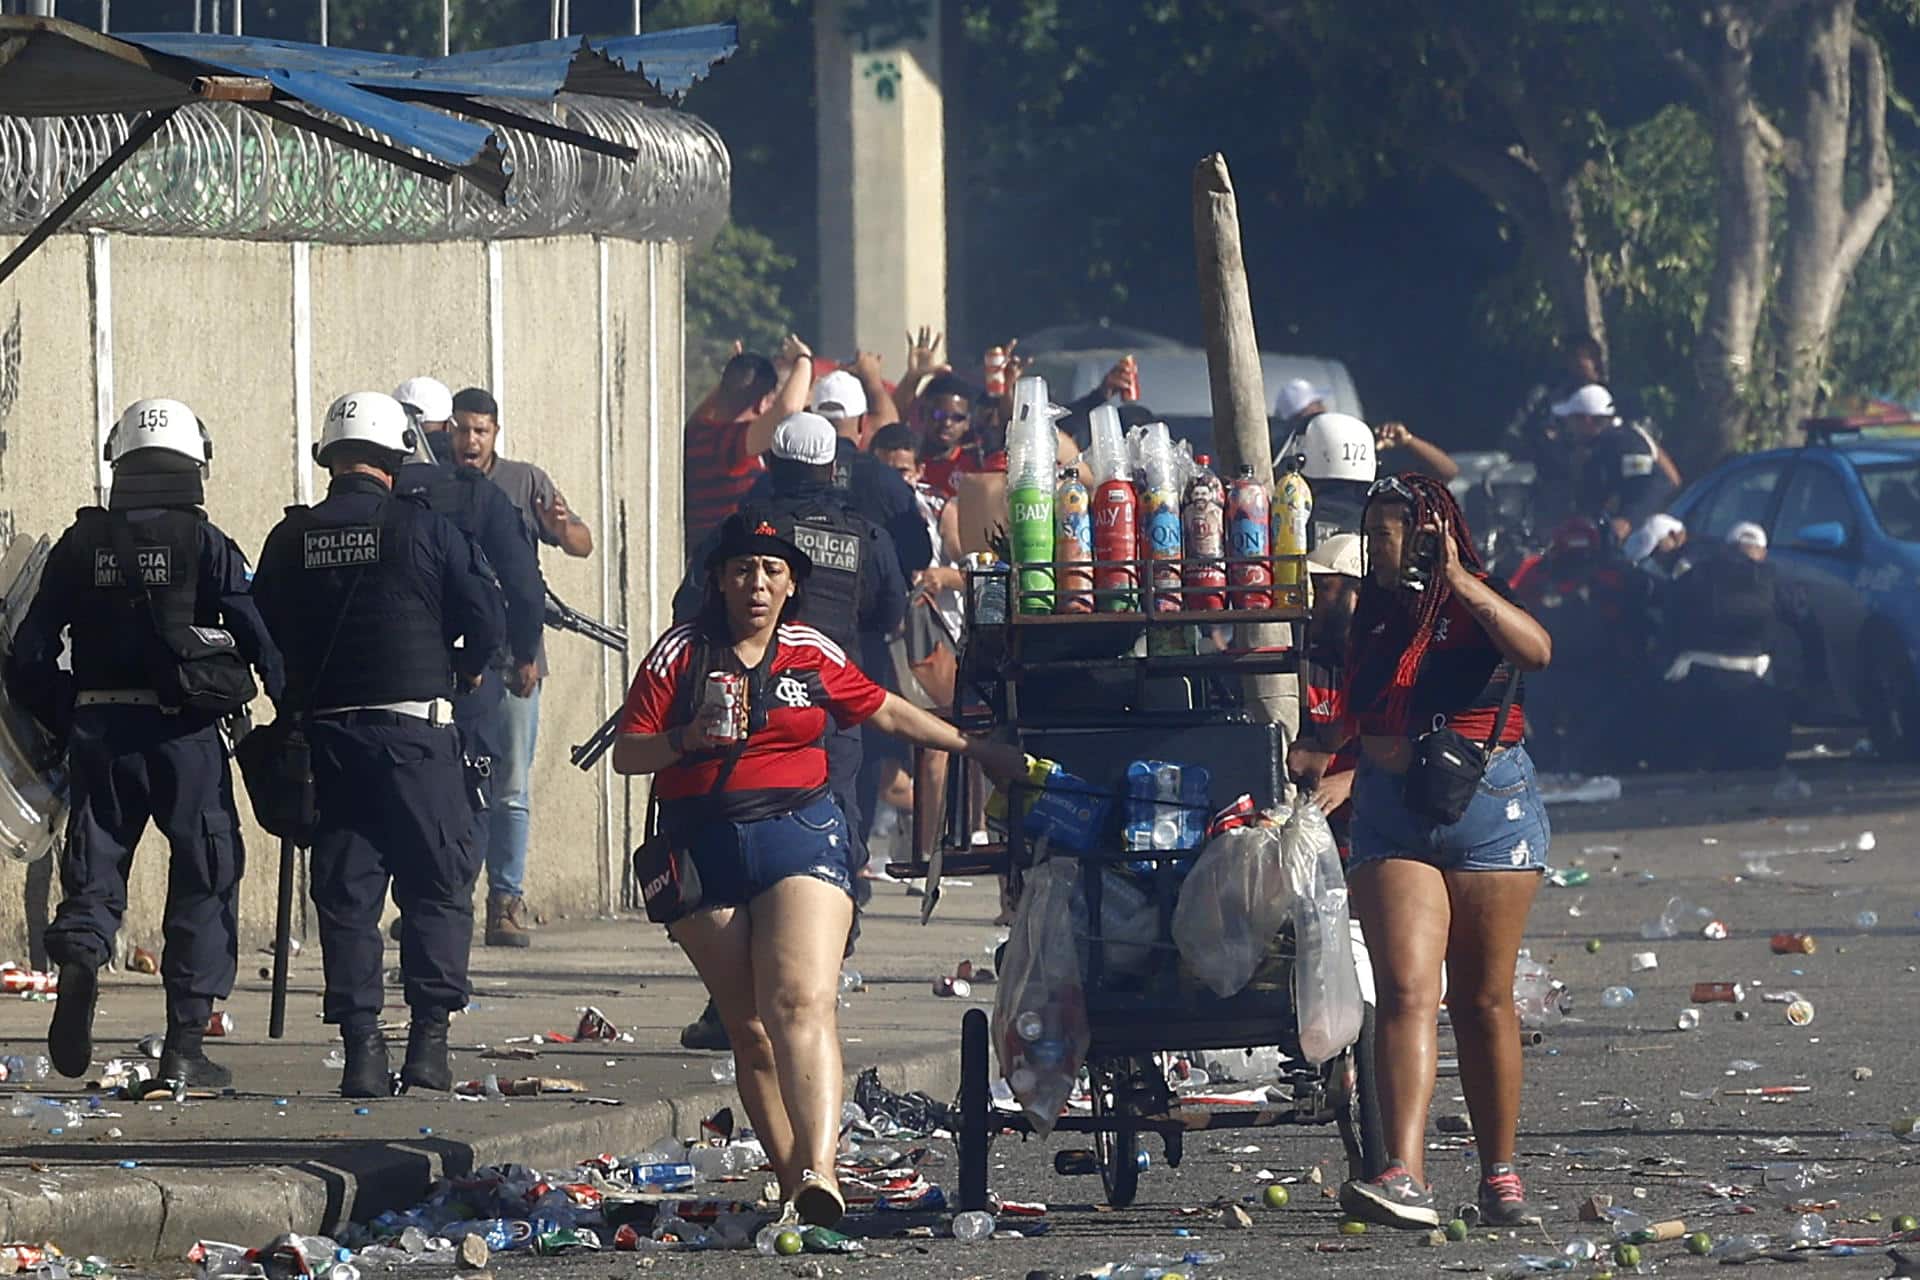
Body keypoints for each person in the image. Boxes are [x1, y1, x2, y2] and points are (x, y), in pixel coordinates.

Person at [613, 507, 1023, 1226]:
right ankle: (793, 1180)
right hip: (703, 845)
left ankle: (822, 1170)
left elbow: (887, 711)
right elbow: (628, 751)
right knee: (749, 1030)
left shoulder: (812, 650)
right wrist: (684, 736)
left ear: (791, 585)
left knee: (800, 1002)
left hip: (800, 832)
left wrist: (974, 749)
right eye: (743, 570)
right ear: (719, 579)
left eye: (773, 572)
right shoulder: (678, 654)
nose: (759, 585)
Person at [5, 398, 285, 1087]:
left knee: (96, 869)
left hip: (101, 731)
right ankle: (184, 1046)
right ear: (194, 464)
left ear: (120, 462)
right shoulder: (208, 543)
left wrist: (67, 712)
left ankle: (78, 958)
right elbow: (261, 637)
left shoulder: (80, 545)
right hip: (185, 735)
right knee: (205, 873)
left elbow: (29, 651)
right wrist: (293, 713)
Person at [251, 391, 504, 1098]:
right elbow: (485, 614)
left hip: (329, 739)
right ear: (396, 457)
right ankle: (428, 1046)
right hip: (416, 736)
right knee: (437, 885)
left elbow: (264, 630)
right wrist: (470, 666)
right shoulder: (427, 530)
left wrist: (293, 698)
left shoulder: (289, 538)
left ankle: (362, 1052)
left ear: (331, 458)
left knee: (347, 895)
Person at [1331, 473, 1553, 1230]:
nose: (1377, 544)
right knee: (1406, 989)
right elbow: (1350, 707)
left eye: (1390, 531)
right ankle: (1404, 1173)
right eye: (1374, 530)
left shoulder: (1474, 599)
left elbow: (1538, 651)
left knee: (1484, 1000)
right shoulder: (1370, 612)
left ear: (1430, 535)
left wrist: (1459, 579)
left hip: (1489, 807)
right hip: (1394, 815)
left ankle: (1500, 1174)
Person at [674, 412, 908, 1050]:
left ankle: (737, 1006)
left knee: (740, 840)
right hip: (833, 707)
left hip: (749, 704)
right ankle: (815, 987)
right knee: (834, 840)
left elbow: (687, 606)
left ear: (771, 466)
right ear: (834, 469)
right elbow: (891, 611)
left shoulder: (743, 536)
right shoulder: (865, 535)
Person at [392, 384, 547, 947]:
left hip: (400, 679)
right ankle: (451, 905)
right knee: (478, 789)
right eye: (457, 429)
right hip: (471, 673)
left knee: (424, 794)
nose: (465, 439)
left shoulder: (377, 494)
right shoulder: (475, 499)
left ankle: (435, 902)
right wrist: (504, 655)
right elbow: (517, 594)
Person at [440, 385, 592, 947]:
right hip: (451, 658)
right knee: (448, 783)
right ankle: (444, 894)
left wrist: (557, 526)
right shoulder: (434, 483)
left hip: (512, 660)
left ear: (495, 434)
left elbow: (581, 542)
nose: (470, 440)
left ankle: (505, 901)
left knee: (509, 786)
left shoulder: (524, 481)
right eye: (461, 429)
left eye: (480, 430)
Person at [1653, 522, 1789, 770]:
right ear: (1763, 552)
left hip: (1697, 685)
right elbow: (1786, 634)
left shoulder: (1692, 576)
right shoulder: (1774, 579)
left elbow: (1669, 629)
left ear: (1727, 549)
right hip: (1753, 687)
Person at [684, 338, 817, 560]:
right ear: (762, 403)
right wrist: (804, 361)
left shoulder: (698, 430)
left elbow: (726, 395)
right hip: (721, 560)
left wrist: (737, 371)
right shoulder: (728, 444)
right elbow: (787, 412)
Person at [1286, 534, 1364, 855]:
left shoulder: (1393, 664)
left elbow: (1417, 754)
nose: (1310, 600)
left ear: (1356, 596)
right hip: (1312, 844)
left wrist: (1352, 781)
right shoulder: (1304, 662)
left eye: (1322, 589)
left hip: (1378, 844)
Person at [1550, 384, 1681, 542]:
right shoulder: (1596, 447)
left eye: (1571, 420)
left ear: (1586, 420)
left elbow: (1656, 484)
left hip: (1643, 539)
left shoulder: (1625, 444)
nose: (1569, 428)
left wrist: (1627, 520)